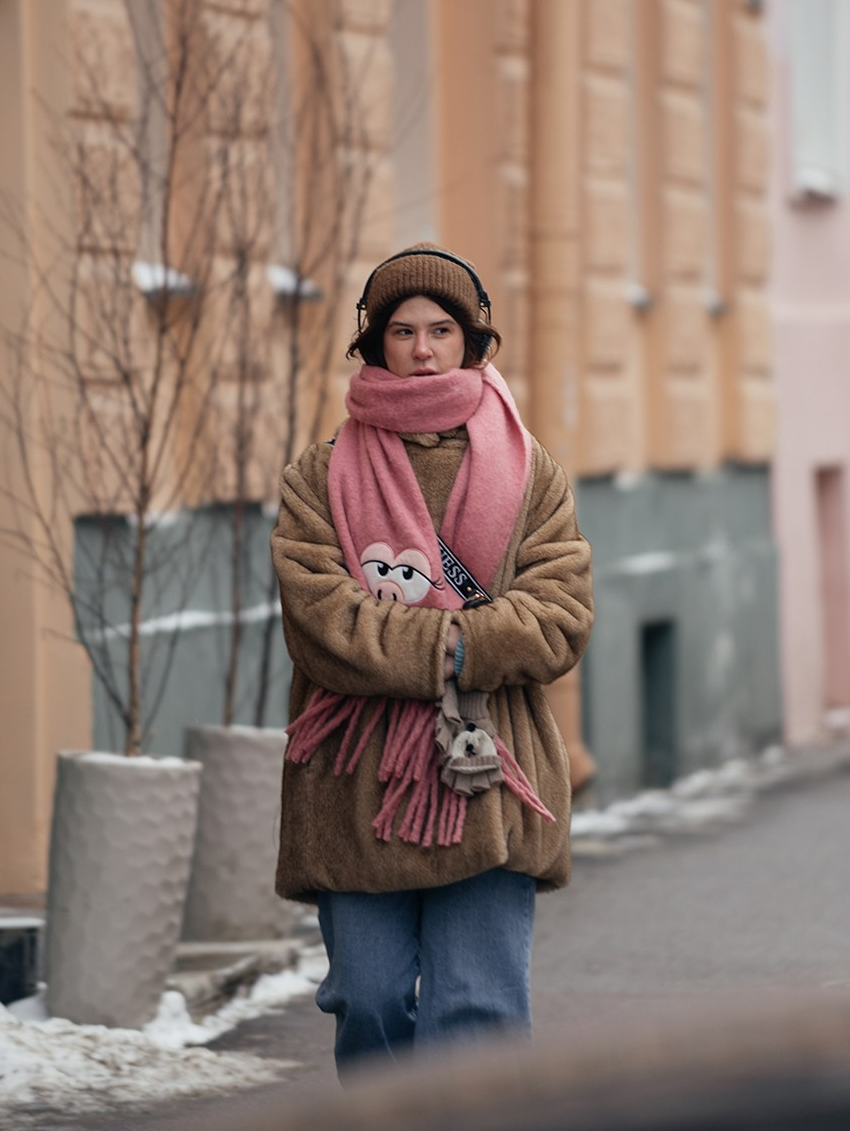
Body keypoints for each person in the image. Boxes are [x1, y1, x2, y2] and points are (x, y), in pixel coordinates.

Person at [270, 244, 594, 1077]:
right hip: (354, 781)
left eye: (441, 330)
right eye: (402, 331)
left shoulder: (532, 473)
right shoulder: (320, 476)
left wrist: (421, 639)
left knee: (477, 1009)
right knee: (368, 999)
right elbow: (320, 622)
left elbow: (560, 615)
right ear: (373, 345)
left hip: (487, 773)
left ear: (472, 341)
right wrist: (463, 640)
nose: (421, 349)